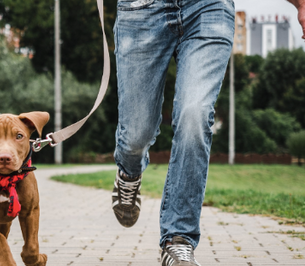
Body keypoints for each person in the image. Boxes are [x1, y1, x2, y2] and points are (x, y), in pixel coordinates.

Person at [110, 0, 305, 265]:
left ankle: (177, 239)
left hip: (208, 7)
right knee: (136, 134)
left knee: (195, 114)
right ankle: (128, 173)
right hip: (142, 10)